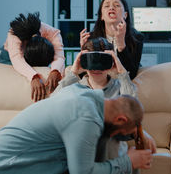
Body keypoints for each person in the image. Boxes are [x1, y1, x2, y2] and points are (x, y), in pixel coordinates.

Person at [0, 84, 153, 174]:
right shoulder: (85, 118)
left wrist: (136, 132)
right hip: (1, 168)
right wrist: (128, 162)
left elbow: (110, 129)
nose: (118, 135)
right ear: (120, 119)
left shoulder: (84, 94)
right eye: (120, 132)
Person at [54, 37, 156, 170]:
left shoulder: (120, 86)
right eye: (92, 61)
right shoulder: (75, 88)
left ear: (112, 61)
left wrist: (121, 73)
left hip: (111, 150)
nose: (97, 67)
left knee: (108, 135)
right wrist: (73, 72)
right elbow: (52, 105)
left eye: (103, 61)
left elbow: (132, 113)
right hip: (81, 145)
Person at [80, 0, 144, 79]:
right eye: (106, 6)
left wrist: (121, 45)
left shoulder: (137, 37)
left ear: (125, 15)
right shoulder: (91, 37)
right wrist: (84, 52)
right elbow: (84, 73)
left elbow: (131, 74)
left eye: (117, 5)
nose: (111, 8)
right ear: (101, 16)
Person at [4, 12, 65, 102]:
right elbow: (17, 59)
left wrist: (55, 71)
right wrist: (34, 77)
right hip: (9, 55)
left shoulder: (52, 32)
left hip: (39, 52)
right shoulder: (14, 35)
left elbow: (59, 56)